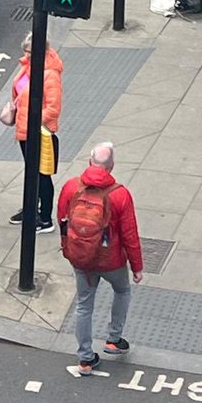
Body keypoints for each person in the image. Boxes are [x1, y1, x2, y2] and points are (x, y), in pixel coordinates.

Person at [57, 142, 143, 376]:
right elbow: (129, 234)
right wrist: (136, 266)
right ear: (111, 166)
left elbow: (62, 221)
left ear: (89, 162)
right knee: (122, 291)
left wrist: (69, 249)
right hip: (111, 260)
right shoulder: (119, 195)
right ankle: (114, 339)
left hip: (82, 259)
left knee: (84, 304)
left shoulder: (70, 187)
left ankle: (85, 358)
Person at [7, 36, 63, 232]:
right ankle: (32, 208)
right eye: (26, 51)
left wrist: (32, 121)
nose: (26, 55)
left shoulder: (50, 75)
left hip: (39, 132)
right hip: (24, 130)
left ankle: (45, 218)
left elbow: (53, 109)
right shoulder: (28, 66)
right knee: (32, 173)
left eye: (30, 52)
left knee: (42, 175)